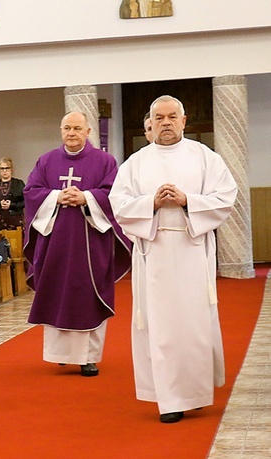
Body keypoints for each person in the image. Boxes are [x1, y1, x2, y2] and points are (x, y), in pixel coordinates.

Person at [109, 95, 238, 423]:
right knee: (161, 327)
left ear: (184, 121)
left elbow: (225, 197)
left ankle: (194, 391)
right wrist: (150, 204)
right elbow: (119, 203)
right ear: (150, 123)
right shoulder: (136, 162)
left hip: (192, 250)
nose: (165, 122)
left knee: (193, 326)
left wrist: (186, 201)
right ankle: (169, 400)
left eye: (172, 117)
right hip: (154, 252)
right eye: (159, 117)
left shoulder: (204, 157)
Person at [24, 112, 132, 377]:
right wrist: (56, 197)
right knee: (56, 293)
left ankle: (87, 358)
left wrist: (86, 198)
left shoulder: (105, 162)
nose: (71, 133)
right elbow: (31, 191)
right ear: (61, 130)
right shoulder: (46, 161)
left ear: (88, 131)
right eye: (67, 128)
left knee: (87, 296)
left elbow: (114, 194)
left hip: (90, 243)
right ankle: (60, 354)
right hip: (54, 244)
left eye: (77, 128)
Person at [0, 157, 25, 231]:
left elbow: (26, 202)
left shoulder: (19, 183)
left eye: (7, 168)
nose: (4, 171)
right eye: (2, 168)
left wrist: (12, 205)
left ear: (11, 169)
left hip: (16, 222)